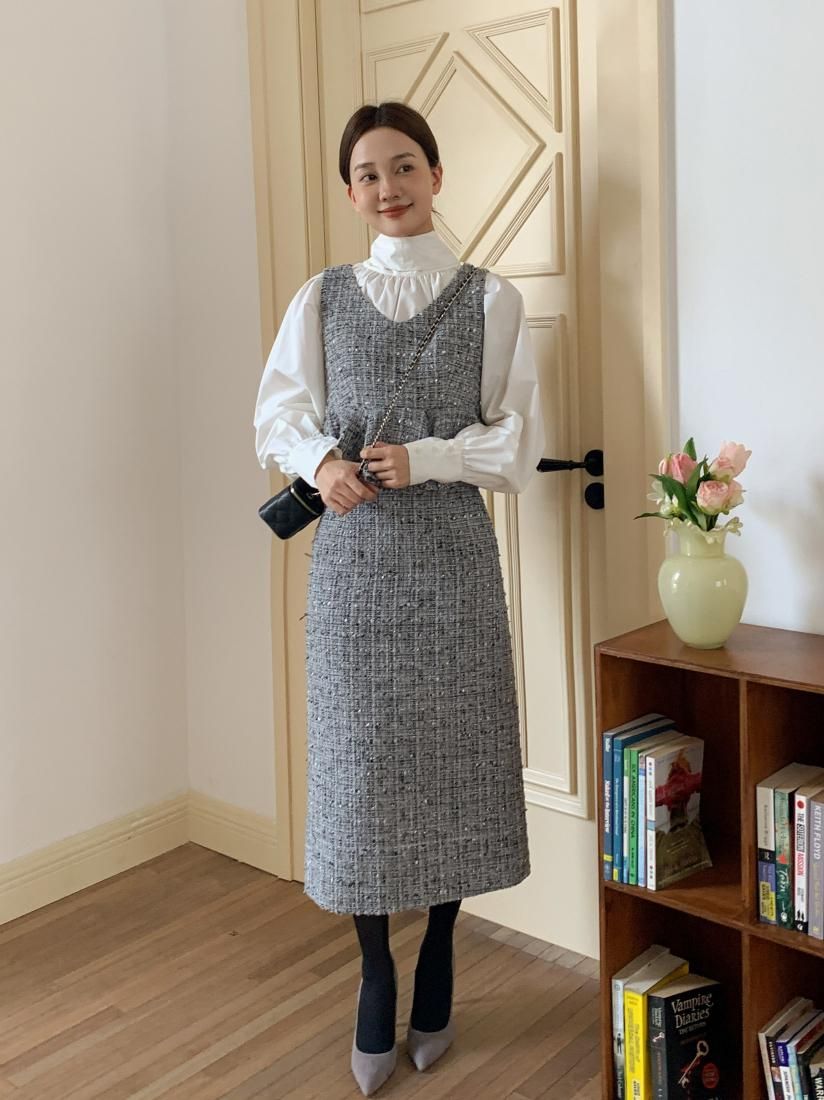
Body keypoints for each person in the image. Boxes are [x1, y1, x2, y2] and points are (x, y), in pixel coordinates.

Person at [253, 101, 545, 1096]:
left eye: (405, 164)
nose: (389, 186)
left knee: (456, 761)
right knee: (360, 773)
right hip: (352, 572)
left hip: (453, 564)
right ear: (351, 192)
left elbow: (516, 442)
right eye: (369, 173)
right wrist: (321, 463)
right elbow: (277, 412)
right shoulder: (322, 297)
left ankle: (443, 950)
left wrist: (428, 458)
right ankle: (377, 968)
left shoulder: (491, 299)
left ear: (435, 174)